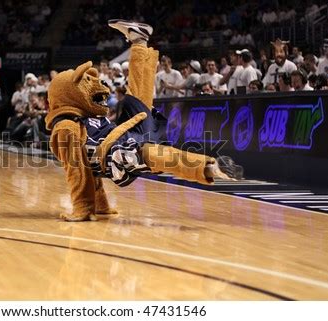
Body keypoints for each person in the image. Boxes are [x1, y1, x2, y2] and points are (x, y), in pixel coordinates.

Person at [46, 19, 239, 222]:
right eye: (86, 82)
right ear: (67, 95)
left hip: (122, 137)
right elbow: (79, 171)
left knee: (137, 97)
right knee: (156, 155)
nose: (99, 84)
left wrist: (98, 207)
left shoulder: (87, 118)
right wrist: (85, 207)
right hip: (116, 152)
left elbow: (87, 172)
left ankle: (139, 41)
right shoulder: (65, 128)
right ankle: (207, 167)